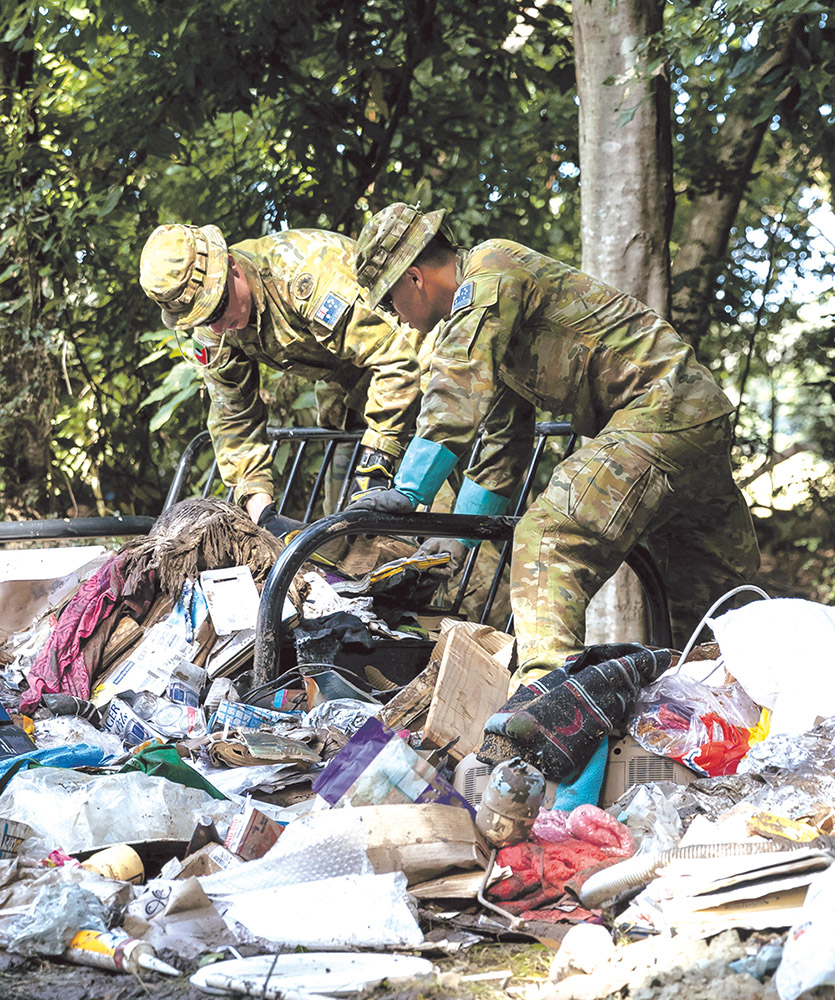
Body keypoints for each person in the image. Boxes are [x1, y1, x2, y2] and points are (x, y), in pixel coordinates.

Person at [350, 202, 760, 687]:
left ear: (413, 278)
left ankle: (546, 716)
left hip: (663, 410)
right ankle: (740, 720)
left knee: (548, 538)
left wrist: (411, 489)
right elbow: (505, 441)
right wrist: (457, 539)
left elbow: (455, 383)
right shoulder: (496, 313)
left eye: (387, 301)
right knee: (713, 611)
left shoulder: (490, 274)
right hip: (693, 414)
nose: (392, 317)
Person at [139, 223, 423, 534]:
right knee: (344, 534)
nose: (219, 328)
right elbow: (233, 417)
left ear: (232, 266)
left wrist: (377, 463)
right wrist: (263, 512)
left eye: (218, 308)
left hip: (423, 376)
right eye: (205, 319)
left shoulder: (304, 272)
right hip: (351, 400)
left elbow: (396, 358)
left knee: (447, 536)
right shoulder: (215, 331)